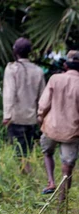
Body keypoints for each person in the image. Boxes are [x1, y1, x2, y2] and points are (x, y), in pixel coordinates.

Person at [38, 50, 79, 200]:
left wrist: (40, 117)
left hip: (51, 128)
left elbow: (43, 104)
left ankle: (51, 182)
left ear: (65, 65)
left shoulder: (55, 79)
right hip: (72, 132)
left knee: (48, 152)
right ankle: (63, 200)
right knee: (67, 166)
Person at [3, 37, 45, 174]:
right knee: (27, 148)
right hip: (31, 118)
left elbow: (9, 93)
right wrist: (41, 116)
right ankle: (26, 173)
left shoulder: (11, 69)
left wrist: (7, 115)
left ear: (15, 51)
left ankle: (23, 175)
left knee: (18, 150)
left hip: (16, 117)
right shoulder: (38, 71)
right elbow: (42, 97)